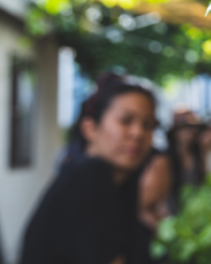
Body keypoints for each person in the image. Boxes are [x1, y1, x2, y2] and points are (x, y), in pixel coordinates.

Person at [21, 77, 158, 264]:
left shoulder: (123, 181)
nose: (138, 133)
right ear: (90, 128)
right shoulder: (91, 174)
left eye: (148, 125)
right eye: (126, 121)